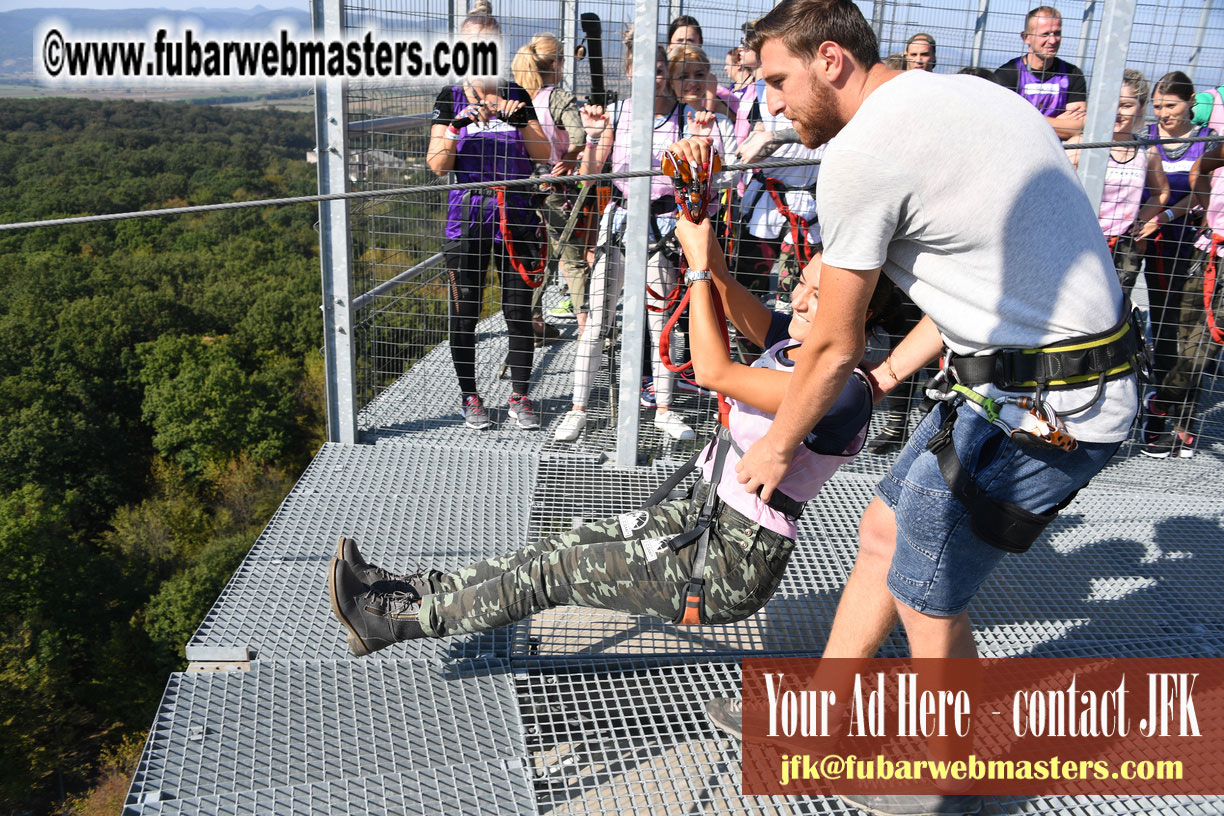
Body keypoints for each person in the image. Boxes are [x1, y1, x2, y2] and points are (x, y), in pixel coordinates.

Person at [681, 3, 1140, 814]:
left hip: (1041, 404)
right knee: (886, 533)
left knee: (928, 593)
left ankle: (950, 784)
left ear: (831, 59)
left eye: (780, 80)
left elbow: (828, 345)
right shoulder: (964, 96)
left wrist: (778, 449)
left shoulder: (862, 153)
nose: (775, 103)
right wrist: (892, 377)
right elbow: (985, 270)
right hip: (1033, 379)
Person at [326, 234, 893, 654]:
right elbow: (727, 291)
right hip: (699, 514)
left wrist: (696, 272)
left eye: (818, 297)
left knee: (560, 573)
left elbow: (715, 369)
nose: (796, 299)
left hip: (727, 559)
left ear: (858, 314)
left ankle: (397, 622)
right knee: (553, 548)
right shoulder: (798, 346)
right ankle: (409, 591)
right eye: (803, 284)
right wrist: (701, 235)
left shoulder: (840, 394)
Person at [551, 39, 718, 443]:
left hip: (662, 225)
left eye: (659, 69)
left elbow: (704, 183)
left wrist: (702, 146)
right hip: (622, 221)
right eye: (643, 70)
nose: (653, 77)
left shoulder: (686, 119)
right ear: (629, 73)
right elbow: (590, 176)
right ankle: (578, 408)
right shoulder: (617, 113)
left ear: (667, 73)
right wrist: (593, 136)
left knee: (659, 322)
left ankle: (663, 409)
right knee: (595, 320)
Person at [426, 3, 552, 431]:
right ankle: (470, 397)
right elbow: (438, 165)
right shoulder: (450, 97)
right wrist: (457, 126)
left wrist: (515, 120)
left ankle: (520, 396)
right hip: (468, 219)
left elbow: (543, 154)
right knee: (465, 313)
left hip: (514, 215)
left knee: (517, 310)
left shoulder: (516, 93)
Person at [1140, 71, 1217, 458]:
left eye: (1171, 105)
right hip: (1159, 247)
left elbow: (1204, 194)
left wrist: (1168, 214)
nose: (1163, 113)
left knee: (1199, 335)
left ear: (1190, 104)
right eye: (1157, 106)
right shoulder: (1147, 138)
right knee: (1167, 327)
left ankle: (1185, 419)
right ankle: (1157, 418)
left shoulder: (1206, 141)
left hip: (1196, 242)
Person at [511, 34, 591, 332]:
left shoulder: (519, 96)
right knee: (571, 256)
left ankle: (533, 320)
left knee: (535, 256)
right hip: (554, 185)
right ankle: (586, 326)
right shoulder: (557, 97)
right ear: (556, 63)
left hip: (523, 185)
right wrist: (569, 158)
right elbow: (579, 137)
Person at [1066, 69, 1170, 300]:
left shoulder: (1147, 152)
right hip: (1083, 241)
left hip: (1124, 248)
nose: (1117, 111)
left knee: (1114, 307)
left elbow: (1161, 193)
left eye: (1126, 105)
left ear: (1141, 107)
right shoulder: (1084, 144)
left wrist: (1142, 221)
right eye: (1113, 103)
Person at [994, 6, 1087, 139]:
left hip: (1060, 150)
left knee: (1079, 141)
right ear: (1026, 37)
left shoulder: (1072, 73)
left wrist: (1027, 120)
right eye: (1045, 34)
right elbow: (1004, 122)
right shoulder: (1007, 74)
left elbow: (1078, 126)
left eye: (1057, 33)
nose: (1052, 40)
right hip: (1017, 144)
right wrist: (1059, 123)